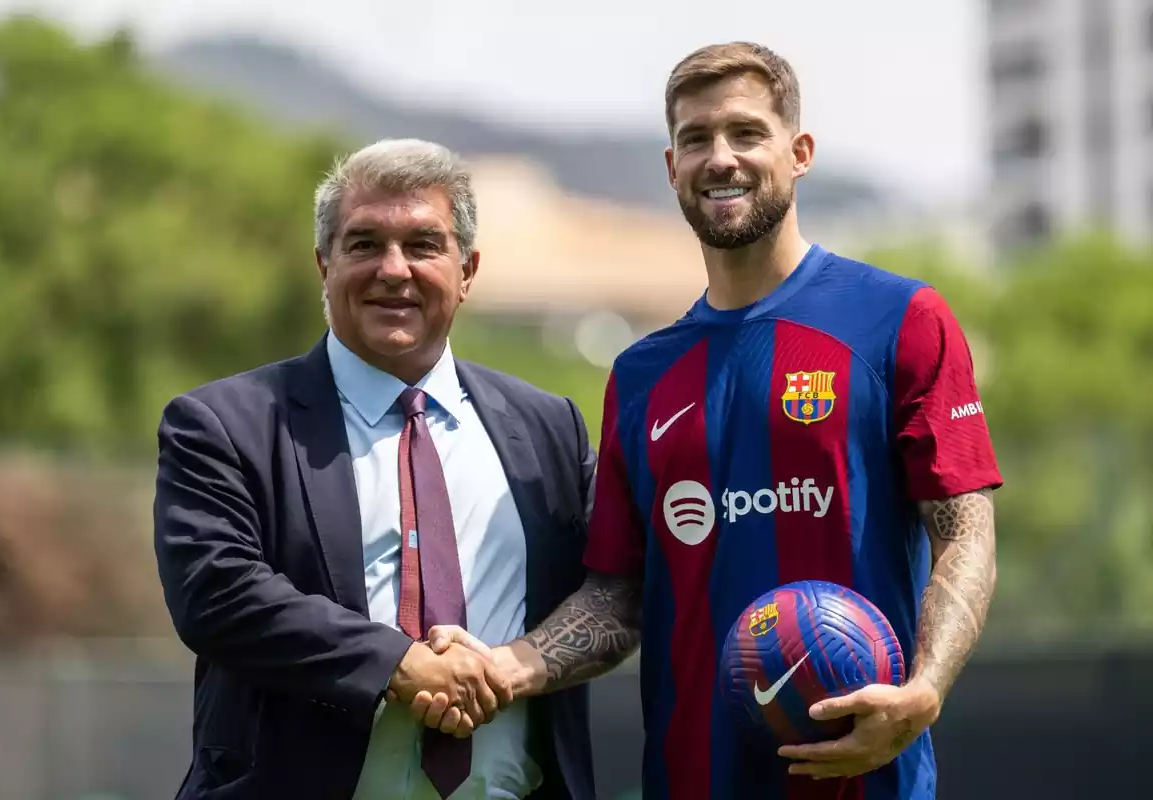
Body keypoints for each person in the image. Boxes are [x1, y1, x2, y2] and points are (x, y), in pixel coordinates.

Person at [419, 42, 1002, 800]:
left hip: (867, 779)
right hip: (691, 780)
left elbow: (964, 529)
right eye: (696, 139)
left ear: (798, 154)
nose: (720, 157)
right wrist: (507, 664)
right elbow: (619, 594)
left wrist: (924, 690)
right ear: (671, 168)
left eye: (745, 133)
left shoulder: (898, 319)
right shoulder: (640, 375)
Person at [153, 138, 598, 800]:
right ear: (323, 264)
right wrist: (400, 665)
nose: (394, 270)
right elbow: (218, 593)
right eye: (364, 244)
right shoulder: (226, 424)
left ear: (468, 270)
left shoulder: (547, 428)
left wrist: (516, 667)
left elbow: (616, 585)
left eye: (422, 245)